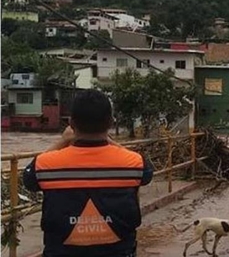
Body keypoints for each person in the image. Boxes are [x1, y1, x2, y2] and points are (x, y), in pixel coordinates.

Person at [23, 89, 154, 257]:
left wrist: (62, 141)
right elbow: (147, 173)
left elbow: (28, 179)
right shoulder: (134, 163)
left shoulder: (45, 164)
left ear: (71, 123)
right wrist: (111, 142)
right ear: (111, 122)